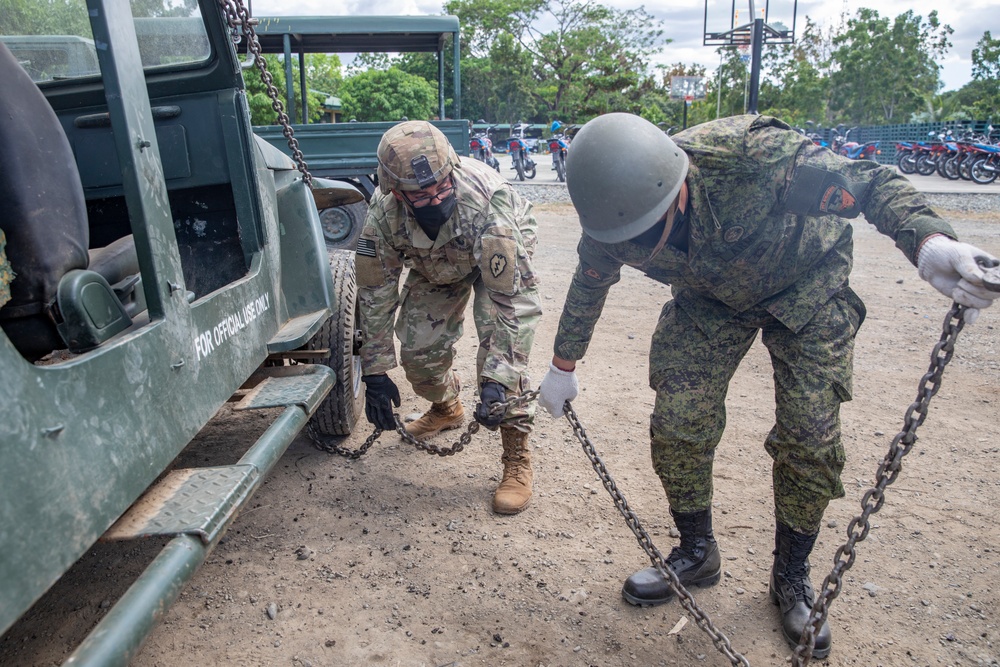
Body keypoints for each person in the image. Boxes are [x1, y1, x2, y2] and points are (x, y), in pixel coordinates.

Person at [536, 112, 1000, 657]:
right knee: (678, 421)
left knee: (810, 437)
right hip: (710, 304)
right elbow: (589, 284)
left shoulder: (756, 160)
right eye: (624, 241)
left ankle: (791, 576)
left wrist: (931, 243)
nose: (634, 249)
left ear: (678, 192)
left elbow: (870, 182)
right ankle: (696, 551)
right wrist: (562, 366)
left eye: (644, 235)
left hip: (806, 285)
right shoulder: (609, 221)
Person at [356, 120, 542, 515]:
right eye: (422, 194)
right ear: (397, 193)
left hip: (496, 261)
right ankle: (446, 408)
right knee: (419, 355)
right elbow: (375, 291)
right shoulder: (382, 216)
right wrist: (373, 370)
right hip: (436, 266)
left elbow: (516, 302)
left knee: (498, 355)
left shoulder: (488, 204)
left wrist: (498, 378)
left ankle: (516, 458)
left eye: (442, 185)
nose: (437, 196)